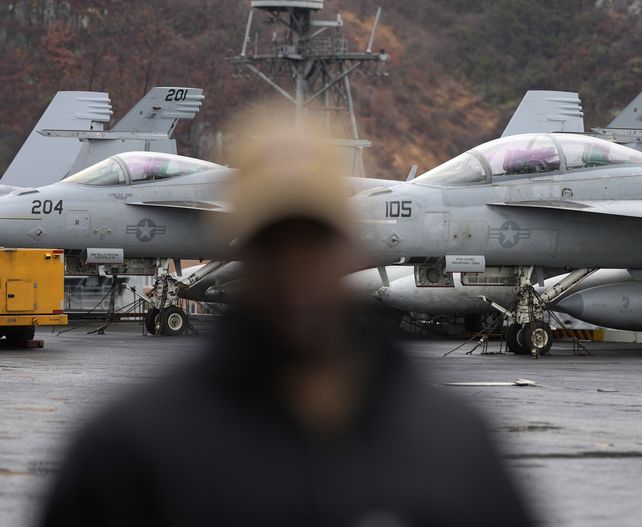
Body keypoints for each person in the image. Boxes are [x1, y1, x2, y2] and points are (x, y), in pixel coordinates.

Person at [39, 122, 539, 526]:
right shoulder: (128, 446)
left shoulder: (453, 441)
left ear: (350, 246)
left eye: (313, 243)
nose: (294, 270)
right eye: (273, 245)